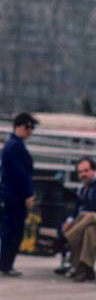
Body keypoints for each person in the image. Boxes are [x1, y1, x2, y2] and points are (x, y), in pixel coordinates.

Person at [55, 157, 96, 280]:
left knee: (88, 216)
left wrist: (74, 221)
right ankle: (85, 269)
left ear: (94, 170)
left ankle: (64, 240)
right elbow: (76, 209)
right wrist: (70, 221)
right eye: (80, 172)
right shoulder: (85, 187)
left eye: (86, 171)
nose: (83, 174)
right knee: (89, 229)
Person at [0, 113, 38, 277]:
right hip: (14, 196)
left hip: (11, 194)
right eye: (28, 127)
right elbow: (21, 174)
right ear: (19, 126)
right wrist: (28, 195)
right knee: (13, 231)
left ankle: (6, 264)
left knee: (11, 230)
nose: (29, 131)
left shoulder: (13, 144)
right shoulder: (15, 146)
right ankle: (6, 265)